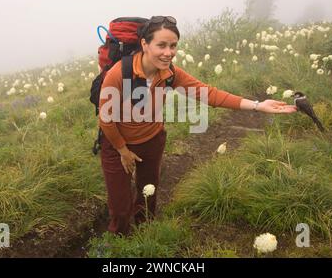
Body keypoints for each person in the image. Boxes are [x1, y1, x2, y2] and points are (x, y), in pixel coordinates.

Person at [98, 15, 297, 236]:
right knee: (120, 206)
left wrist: (258, 106)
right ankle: (120, 241)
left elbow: (209, 94)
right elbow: (106, 119)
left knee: (148, 195)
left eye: (173, 46)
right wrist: (123, 150)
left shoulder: (169, 73)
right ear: (144, 44)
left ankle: (147, 234)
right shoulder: (119, 73)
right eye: (161, 45)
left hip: (152, 140)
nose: (168, 52)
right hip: (117, 145)